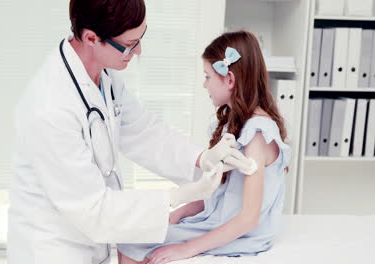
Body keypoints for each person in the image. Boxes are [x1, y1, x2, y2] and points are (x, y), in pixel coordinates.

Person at [6, 1, 254, 264]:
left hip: (92, 244)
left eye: (140, 38)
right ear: (91, 38)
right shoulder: (51, 108)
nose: (138, 51)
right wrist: (179, 196)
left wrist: (203, 158)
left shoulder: (105, 77)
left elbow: (144, 132)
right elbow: (94, 209)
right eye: (130, 44)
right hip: (53, 251)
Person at [117, 30, 292, 264]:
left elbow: (249, 218)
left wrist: (187, 248)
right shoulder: (236, 122)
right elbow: (224, 192)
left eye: (208, 76)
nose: (204, 84)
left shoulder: (256, 134)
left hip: (242, 233)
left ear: (229, 79)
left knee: (132, 246)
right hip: (218, 219)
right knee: (132, 239)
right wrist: (182, 211)